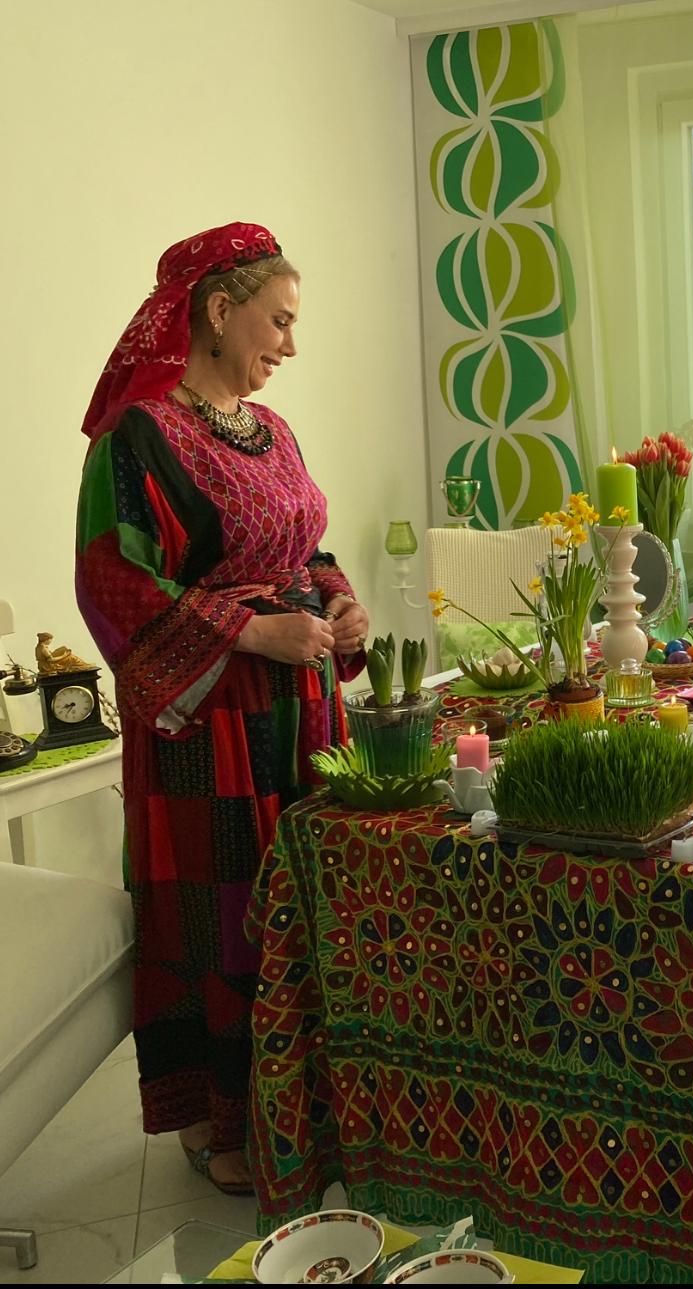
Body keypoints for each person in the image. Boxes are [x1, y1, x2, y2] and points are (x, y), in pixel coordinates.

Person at [75, 223, 369, 1194]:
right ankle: (221, 1117)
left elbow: (301, 548)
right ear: (216, 310)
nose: (290, 343)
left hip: (301, 716)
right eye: (277, 321)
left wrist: (338, 601)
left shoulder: (273, 431)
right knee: (228, 919)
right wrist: (249, 633)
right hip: (210, 731)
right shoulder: (138, 437)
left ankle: (309, 1107)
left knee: (304, 906)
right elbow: (111, 580)